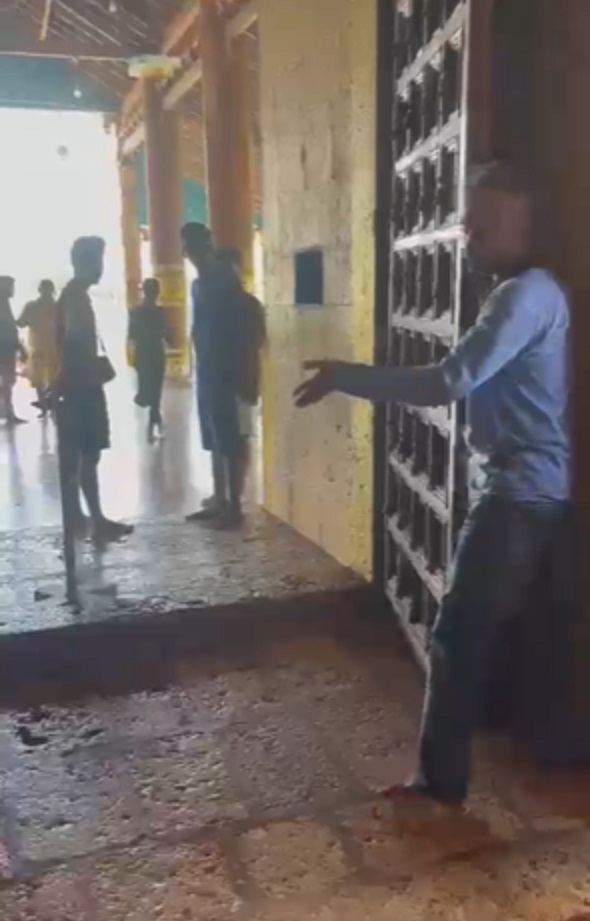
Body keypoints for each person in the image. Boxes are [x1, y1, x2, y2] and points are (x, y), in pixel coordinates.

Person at [294, 162, 570, 815]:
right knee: (520, 635)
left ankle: (440, 781)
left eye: (487, 220)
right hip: (534, 490)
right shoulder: (538, 293)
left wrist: (348, 376)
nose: (471, 233)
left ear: (526, 224)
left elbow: (448, 381)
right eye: (469, 220)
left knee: (458, 635)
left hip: (518, 494)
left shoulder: (521, 296)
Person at [56, 236, 133, 543]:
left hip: (78, 386)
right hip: (82, 388)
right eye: (98, 260)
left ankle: (83, 516)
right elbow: (74, 343)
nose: (101, 267)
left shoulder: (74, 295)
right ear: (84, 262)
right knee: (88, 453)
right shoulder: (75, 298)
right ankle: (94, 520)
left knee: (83, 454)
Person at [181, 223, 244, 529]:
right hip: (205, 368)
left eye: (197, 244)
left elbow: (237, 325)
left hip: (224, 368)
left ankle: (234, 506)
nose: (192, 252)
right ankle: (220, 499)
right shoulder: (197, 284)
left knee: (227, 437)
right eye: (188, 246)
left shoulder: (225, 279)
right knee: (212, 436)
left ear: (207, 244)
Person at [215, 248, 266, 498]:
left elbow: (256, 341)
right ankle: (225, 497)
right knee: (225, 439)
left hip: (241, 381)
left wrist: (248, 380)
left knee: (238, 439)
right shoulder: (226, 304)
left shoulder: (246, 304)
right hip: (226, 381)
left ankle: (234, 499)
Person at [128, 277, 169, 444]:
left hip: (142, 354)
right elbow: (165, 334)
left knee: (147, 388)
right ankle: (154, 422)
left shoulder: (136, 311)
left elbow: (132, 336)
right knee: (156, 391)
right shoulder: (160, 312)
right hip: (156, 353)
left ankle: (155, 421)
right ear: (158, 292)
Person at [18, 279, 59, 417]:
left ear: (39, 290)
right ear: (52, 291)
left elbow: (21, 323)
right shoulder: (58, 307)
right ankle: (54, 407)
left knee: (38, 380)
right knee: (53, 379)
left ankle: (44, 409)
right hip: (54, 347)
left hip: (37, 347)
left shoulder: (31, 306)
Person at [0, 275, 27, 426]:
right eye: (11, 286)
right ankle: (8, 413)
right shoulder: (3, 305)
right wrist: (20, 347)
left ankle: (7, 412)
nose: (13, 290)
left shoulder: (5, 304)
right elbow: (8, 330)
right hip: (5, 349)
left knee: (7, 382)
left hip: (5, 348)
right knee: (7, 381)